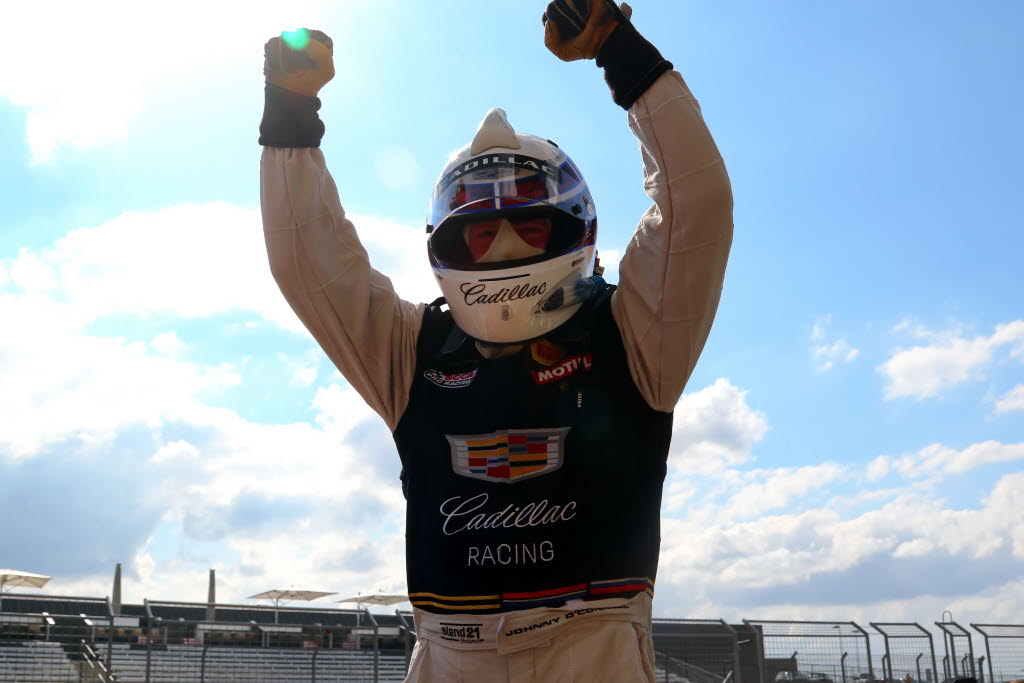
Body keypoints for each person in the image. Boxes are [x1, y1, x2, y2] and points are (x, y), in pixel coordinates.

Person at [259, 1, 733, 680]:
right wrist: (290, 113)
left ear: (568, 230)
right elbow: (310, 266)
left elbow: (697, 209)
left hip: (593, 647)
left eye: (527, 227)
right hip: (450, 651)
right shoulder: (413, 347)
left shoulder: (633, 332)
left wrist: (623, 55)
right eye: (483, 231)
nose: (505, 245)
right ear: (450, 243)